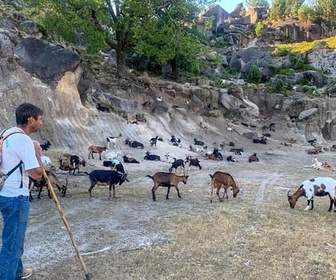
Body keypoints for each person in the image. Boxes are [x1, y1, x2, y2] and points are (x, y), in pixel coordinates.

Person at [0, 103, 44, 280]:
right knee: (13, 245)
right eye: (39, 119)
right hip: (16, 197)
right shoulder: (24, 141)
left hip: (3, 193)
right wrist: (38, 154)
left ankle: (17, 272)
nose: (41, 123)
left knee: (12, 239)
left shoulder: (6, 133)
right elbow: (36, 174)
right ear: (30, 119)